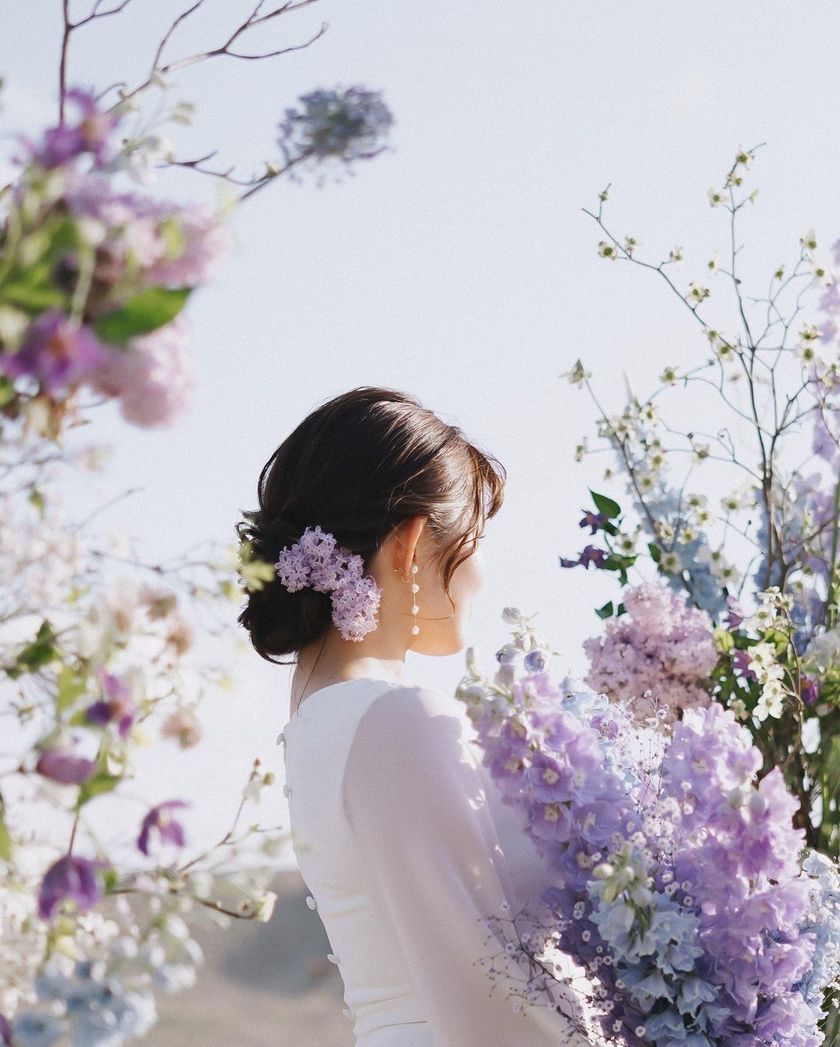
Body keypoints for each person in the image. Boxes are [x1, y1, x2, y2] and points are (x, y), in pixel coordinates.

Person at [236, 387, 601, 1047]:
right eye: (475, 539)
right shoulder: (395, 721)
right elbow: (495, 996)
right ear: (409, 544)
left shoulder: (323, 719)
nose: (480, 574)